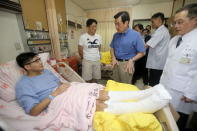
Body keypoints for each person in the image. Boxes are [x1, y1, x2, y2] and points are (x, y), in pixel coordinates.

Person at [15, 52, 108, 116]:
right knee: (95, 104)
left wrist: (70, 86)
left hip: (66, 91)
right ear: (27, 66)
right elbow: (33, 112)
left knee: (100, 92)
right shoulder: (23, 85)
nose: (40, 62)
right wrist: (54, 94)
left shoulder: (46, 72)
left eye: (39, 59)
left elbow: (59, 83)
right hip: (55, 100)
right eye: (36, 61)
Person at [160, 3, 197, 131]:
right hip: (166, 86)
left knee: (178, 122)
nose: (176, 26)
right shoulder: (174, 40)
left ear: (194, 20)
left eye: (180, 22)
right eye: (174, 23)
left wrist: (191, 92)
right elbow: (168, 65)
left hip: (183, 93)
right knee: (166, 119)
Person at [110, 11, 145, 84]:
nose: (116, 27)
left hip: (127, 64)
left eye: (118, 24)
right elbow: (112, 48)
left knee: (125, 87)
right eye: (115, 24)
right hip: (116, 63)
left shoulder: (135, 35)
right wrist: (113, 57)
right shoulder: (115, 35)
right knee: (115, 85)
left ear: (126, 23)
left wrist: (132, 60)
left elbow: (142, 52)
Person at [145, 12, 171, 86]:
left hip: (157, 63)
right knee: (154, 81)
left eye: (153, 22)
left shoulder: (161, 31)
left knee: (154, 83)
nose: (151, 24)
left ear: (159, 20)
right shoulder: (162, 30)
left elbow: (147, 45)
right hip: (157, 62)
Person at [78, 19, 102, 83]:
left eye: (96, 26)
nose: (95, 28)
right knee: (87, 79)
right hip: (87, 61)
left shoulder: (99, 37)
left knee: (96, 79)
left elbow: (99, 48)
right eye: (93, 26)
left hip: (97, 60)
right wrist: (85, 58)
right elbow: (80, 50)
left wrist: (98, 56)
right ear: (88, 27)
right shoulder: (83, 37)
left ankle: (94, 91)